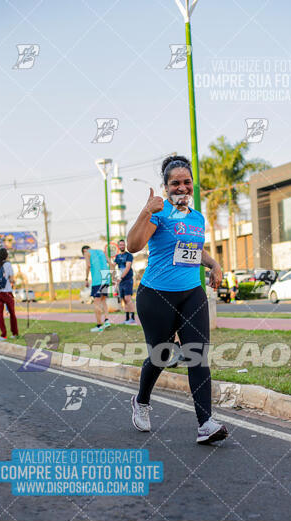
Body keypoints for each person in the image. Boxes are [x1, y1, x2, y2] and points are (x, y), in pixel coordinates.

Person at [127, 155, 228, 444]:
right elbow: (133, 245)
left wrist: (214, 265)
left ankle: (205, 423)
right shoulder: (158, 214)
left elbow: (194, 250)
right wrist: (146, 211)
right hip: (155, 295)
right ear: (166, 187)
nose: (181, 188)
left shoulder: (197, 218)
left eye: (186, 182)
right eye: (175, 183)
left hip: (190, 294)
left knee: (197, 354)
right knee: (162, 355)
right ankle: (141, 401)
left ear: (192, 185)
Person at [0, 248, 19, 341]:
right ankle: (15, 333)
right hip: (7, 292)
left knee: (0, 315)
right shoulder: (8, 265)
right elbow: (11, 279)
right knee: (12, 314)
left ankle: (3, 335)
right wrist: (14, 282)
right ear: (6, 256)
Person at [82, 245, 112, 332]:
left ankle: (99, 326)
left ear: (84, 251)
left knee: (97, 303)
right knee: (103, 301)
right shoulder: (101, 251)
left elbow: (88, 265)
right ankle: (107, 320)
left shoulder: (87, 253)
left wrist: (86, 279)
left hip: (97, 280)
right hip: (106, 278)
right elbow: (110, 263)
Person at [114, 239, 136, 324]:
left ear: (125, 245)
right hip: (121, 281)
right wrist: (107, 258)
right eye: (120, 245)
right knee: (123, 299)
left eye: (123, 244)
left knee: (128, 299)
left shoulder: (129, 255)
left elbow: (127, 267)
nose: (122, 246)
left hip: (127, 280)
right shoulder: (117, 256)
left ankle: (133, 319)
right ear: (118, 246)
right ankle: (127, 319)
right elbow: (113, 265)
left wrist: (121, 277)